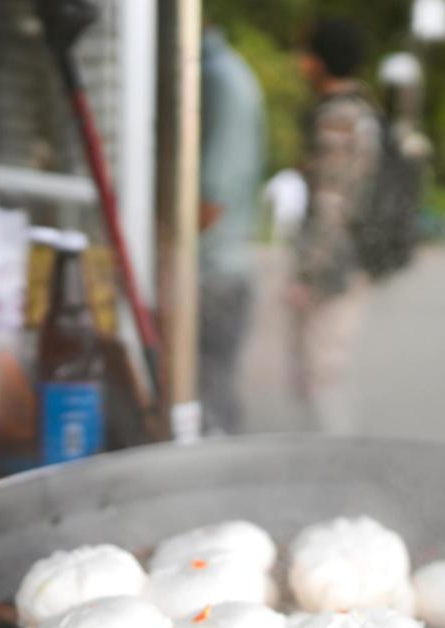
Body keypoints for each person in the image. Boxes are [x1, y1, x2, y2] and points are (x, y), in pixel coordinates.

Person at [288, 17, 380, 433]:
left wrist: (308, 274)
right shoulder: (362, 110)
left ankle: (333, 469)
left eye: (307, 54)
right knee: (330, 371)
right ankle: (333, 462)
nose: (300, 63)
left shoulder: (337, 117)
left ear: (321, 61)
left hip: (334, 268)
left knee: (321, 375)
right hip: (352, 260)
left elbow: (331, 204)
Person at [198, 21, 265, 435]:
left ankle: (218, 482)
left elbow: (213, 196)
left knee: (209, 393)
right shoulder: (227, 73)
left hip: (215, 268)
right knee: (213, 388)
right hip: (224, 265)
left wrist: (169, 252)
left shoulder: (219, 79)